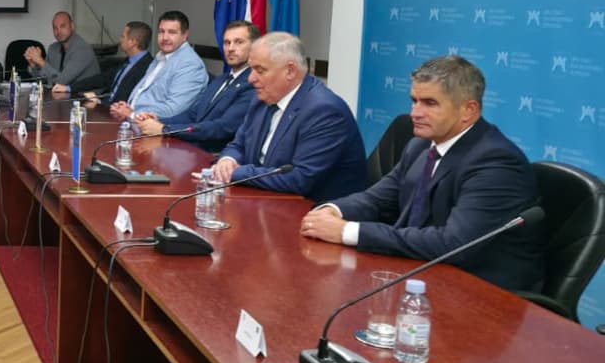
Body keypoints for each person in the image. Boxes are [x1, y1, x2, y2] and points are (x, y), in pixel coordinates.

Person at [300, 56, 543, 292]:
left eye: (429, 103)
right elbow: (377, 198)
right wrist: (331, 211)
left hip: (482, 292)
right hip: (423, 273)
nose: (414, 113)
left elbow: (453, 244)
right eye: (414, 101)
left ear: (468, 110)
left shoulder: (496, 162)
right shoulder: (420, 145)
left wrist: (347, 231)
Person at [204, 32, 364, 201]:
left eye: (260, 70)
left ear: (290, 71)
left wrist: (236, 173)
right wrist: (227, 161)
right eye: (251, 69)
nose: (250, 79)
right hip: (264, 199)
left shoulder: (324, 111)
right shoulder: (262, 98)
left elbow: (299, 178)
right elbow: (239, 144)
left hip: (312, 209)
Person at [134, 20, 259, 152]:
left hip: (214, 156)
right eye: (227, 43)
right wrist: (159, 120)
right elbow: (193, 114)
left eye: (239, 42)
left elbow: (221, 128)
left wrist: (165, 129)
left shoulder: (253, 84)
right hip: (190, 149)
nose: (231, 48)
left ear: (254, 47)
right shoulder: (220, 80)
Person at [111, 10, 207, 122]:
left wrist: (132, 114)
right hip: (136, 122)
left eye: (172, 32)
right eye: (161, 31)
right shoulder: (161, 56)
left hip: (161, 129)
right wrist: (129, 107)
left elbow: (173, 110)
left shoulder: (190, 65)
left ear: (185, 35)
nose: (165, 37)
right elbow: (145, 92)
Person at [25, 11, 100, 94]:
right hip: (63, 97)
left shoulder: (82, 49)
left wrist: (40, 61)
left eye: (63, 26)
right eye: (55, 28)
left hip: (86, 98)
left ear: (72, 26)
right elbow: (44, 81)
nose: (58, 31)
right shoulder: (53, 48)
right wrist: (34, 65)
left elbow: (61, 82)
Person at [81, 21, 152, 106]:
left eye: (123, 36)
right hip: (106, 105)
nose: (120, 40)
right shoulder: (128, 61)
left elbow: (124, 101)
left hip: (113, 111)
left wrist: (99, 102)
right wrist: (70, 88)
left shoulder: (147, 68)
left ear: (133, 42)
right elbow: (104, 78)